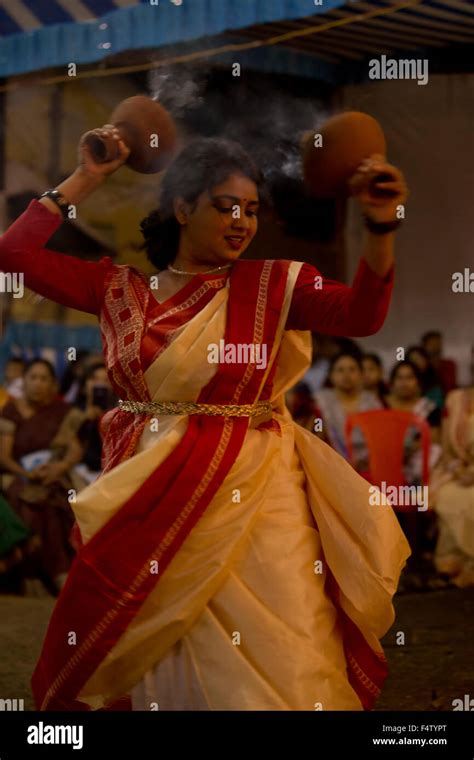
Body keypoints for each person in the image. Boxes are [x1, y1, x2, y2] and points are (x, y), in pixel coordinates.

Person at [0, 125, 410, 711]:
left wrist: (380, 228)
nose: (242, 221)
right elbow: (12, 256)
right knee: (154, 641)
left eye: (249, 209)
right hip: (146, 496)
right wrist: (89, 175)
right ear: (182, 206)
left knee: (279, 636)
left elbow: (362, 315)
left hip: (259, 498)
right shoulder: (119, 289)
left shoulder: (273, 285)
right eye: (225, 207)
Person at [0, 359, 85, 594]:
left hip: (53, 475)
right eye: (33, 378)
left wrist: (59, 467)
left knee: (55, 497)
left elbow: (74, 449)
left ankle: (52, 574)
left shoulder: (62, 412)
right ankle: (57, 573)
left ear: (52, 384)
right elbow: (4, 457)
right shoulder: (12, 410)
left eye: (44, 379)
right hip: (18, 475)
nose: (38, 384)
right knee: (31, 499)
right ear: (24, 382)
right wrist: (29, 474)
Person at [430, 387, 474, 587]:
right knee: (447, 495)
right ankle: (453, 563)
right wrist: (459, 471)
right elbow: (446, 447)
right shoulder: (455, 398)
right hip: (458, 468)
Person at [315, 352, 382, 474]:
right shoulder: (321, 401)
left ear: (361, 375)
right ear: (330, 375)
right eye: (340, 370)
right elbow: (315, 438)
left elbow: (381, 439)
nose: (346, 375)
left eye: (352, 369)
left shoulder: (372, 402)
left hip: (368, 468)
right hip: (330, 466)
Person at [406, 345, 444, 410]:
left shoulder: (434, 385)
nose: (415, 363)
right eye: (412, 360)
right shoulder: (403, 383)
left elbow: (436, 408)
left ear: (426, 361)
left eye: (418, 359)